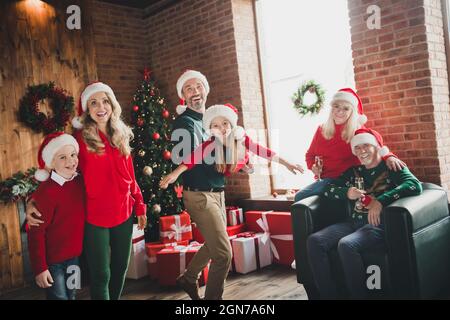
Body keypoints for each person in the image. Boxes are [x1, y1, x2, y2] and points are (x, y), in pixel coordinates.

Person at [26, 82, 147, 300]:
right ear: (86, 109)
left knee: (120, 269)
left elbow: (131, 176)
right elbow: (59, 170)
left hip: (124, 213)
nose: (101, 107)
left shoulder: (121, 134)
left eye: (105, 101)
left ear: (112, 104)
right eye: (94, 103)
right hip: (94, 218)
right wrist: (33, 201)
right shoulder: (79, 140)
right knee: (101, 274)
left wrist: (139, 204)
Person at [306, 128, 422, 299]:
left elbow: (414, 185)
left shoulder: (391, 165)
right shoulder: (353, 172)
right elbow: (327, 189)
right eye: (357, 148)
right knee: (315, 241)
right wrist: (346, 192)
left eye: (366, 146)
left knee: (347, 245)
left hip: (377, 225)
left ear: (376, 147)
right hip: (352, 223)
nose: (362, 151)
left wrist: (381, 200)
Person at [294, 88, 406, 202]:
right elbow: (310, 155)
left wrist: (389, 156)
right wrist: (313, 166)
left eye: (345, 108)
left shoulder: (357, 130)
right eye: (336, 106)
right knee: (302, 198)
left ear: (352, 112)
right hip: (326, 181)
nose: (340, 111)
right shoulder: (321, 130)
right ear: (331, 108)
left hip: (349, 180)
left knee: (299, 196)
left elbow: (376, 146)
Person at [160, 102, 303, 183]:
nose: (222, 129)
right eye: (215, 126)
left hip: (241, 160)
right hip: (227, 169)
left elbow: (264, 151)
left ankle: (246, 166)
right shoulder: (211, 144)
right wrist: (175, 174)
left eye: (224, 123)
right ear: (210, 130)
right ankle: (244, 167)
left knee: (246, 158)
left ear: (231, 124)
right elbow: (192, 158)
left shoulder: (241, 137)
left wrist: (287, 163)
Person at [27, 132, 85, 300]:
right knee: (59, 298)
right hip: (53, 264)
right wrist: (40, 268)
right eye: (62, 157)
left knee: (72, 295)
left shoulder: (80, 183)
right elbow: (35, 232)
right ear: (51, 162)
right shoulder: (46, 192)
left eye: (73, 155)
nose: (70, 161)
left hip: (74, 258)